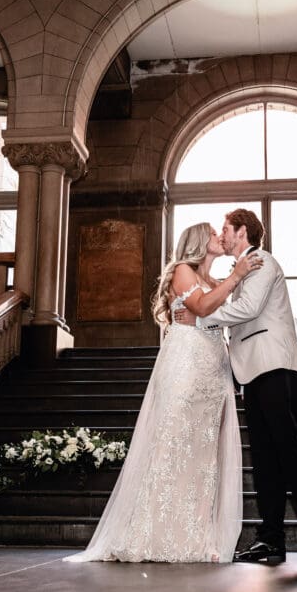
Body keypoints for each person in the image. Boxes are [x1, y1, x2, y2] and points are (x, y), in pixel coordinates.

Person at [65, 222, 262, 563]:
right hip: (186, 363)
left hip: (214, 369)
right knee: (173, 444)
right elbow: (201, 308)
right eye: (214, 232)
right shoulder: (182, 272)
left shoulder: (216, 282)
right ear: (200, 241)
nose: (220, 236)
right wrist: (235, 278)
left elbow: (222, 315)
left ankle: (196, 537)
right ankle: (155, 533)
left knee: (204, 457)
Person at [177, 209, 297, 567]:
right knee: (265, 459)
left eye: (226, 229)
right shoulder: (241, 269)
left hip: (275, 367)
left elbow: (249, 310)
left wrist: (200, 317)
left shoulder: (261, 261)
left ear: (242, 231)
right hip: (252, 373)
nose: (222, 234)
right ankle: (271, 540)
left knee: (290, 452)